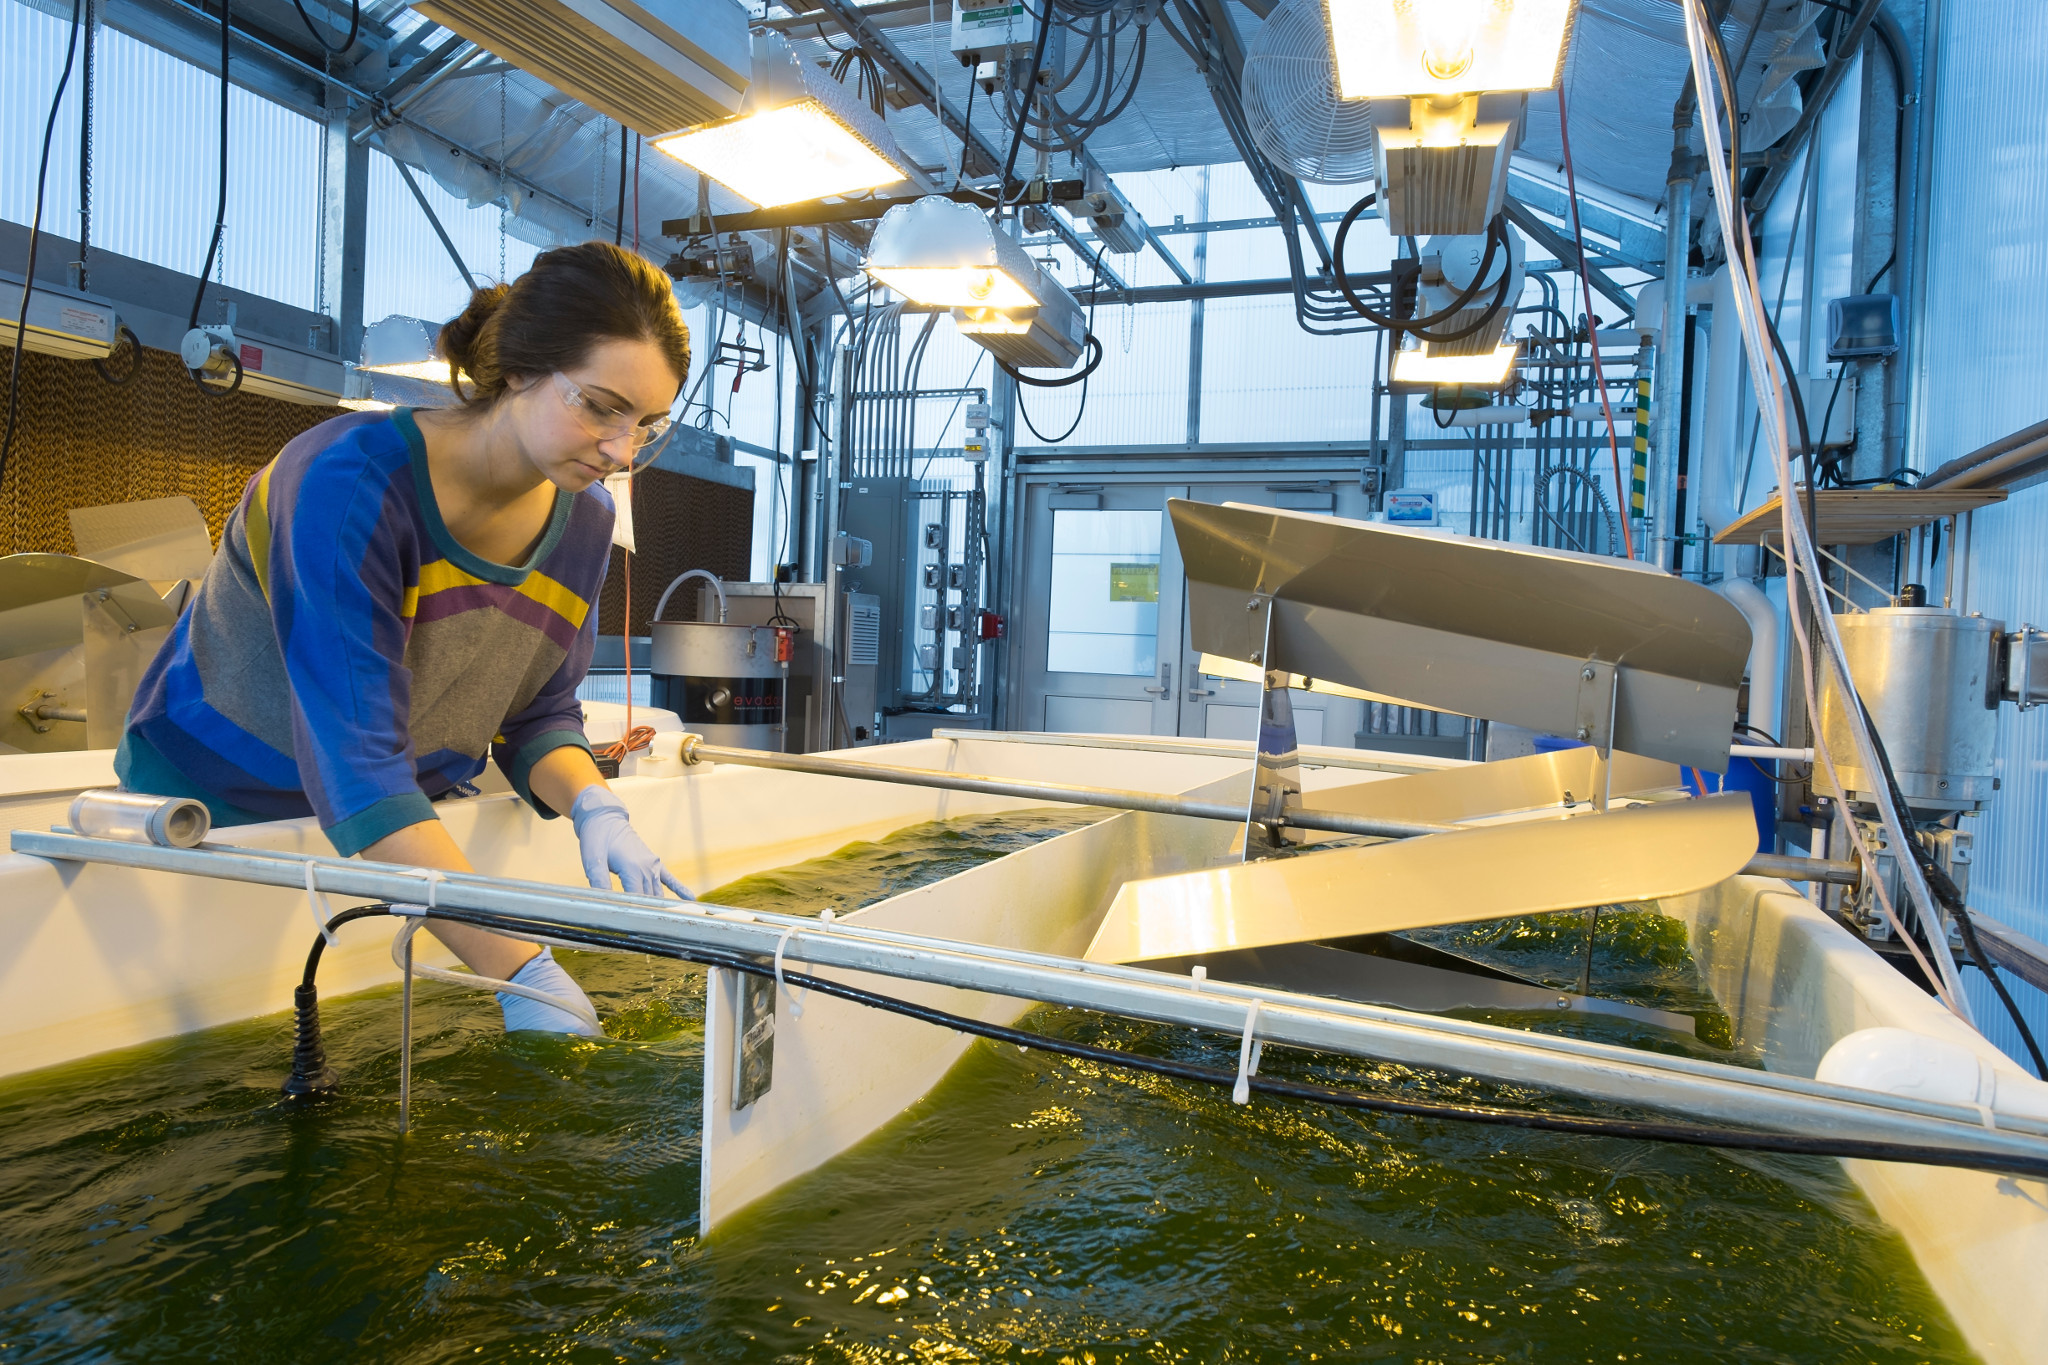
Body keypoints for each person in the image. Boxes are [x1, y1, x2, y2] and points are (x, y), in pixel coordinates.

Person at [118, 241, 692, 1037]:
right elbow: (358, 768)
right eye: (599, 405)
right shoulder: (346, 484)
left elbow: (538, 716)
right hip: (221, 804)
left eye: (645, 424)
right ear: (520, 367)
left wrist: (593, 801)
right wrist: (522, 970)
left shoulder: (587, 521)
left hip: (405, 818)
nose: (622, 450)